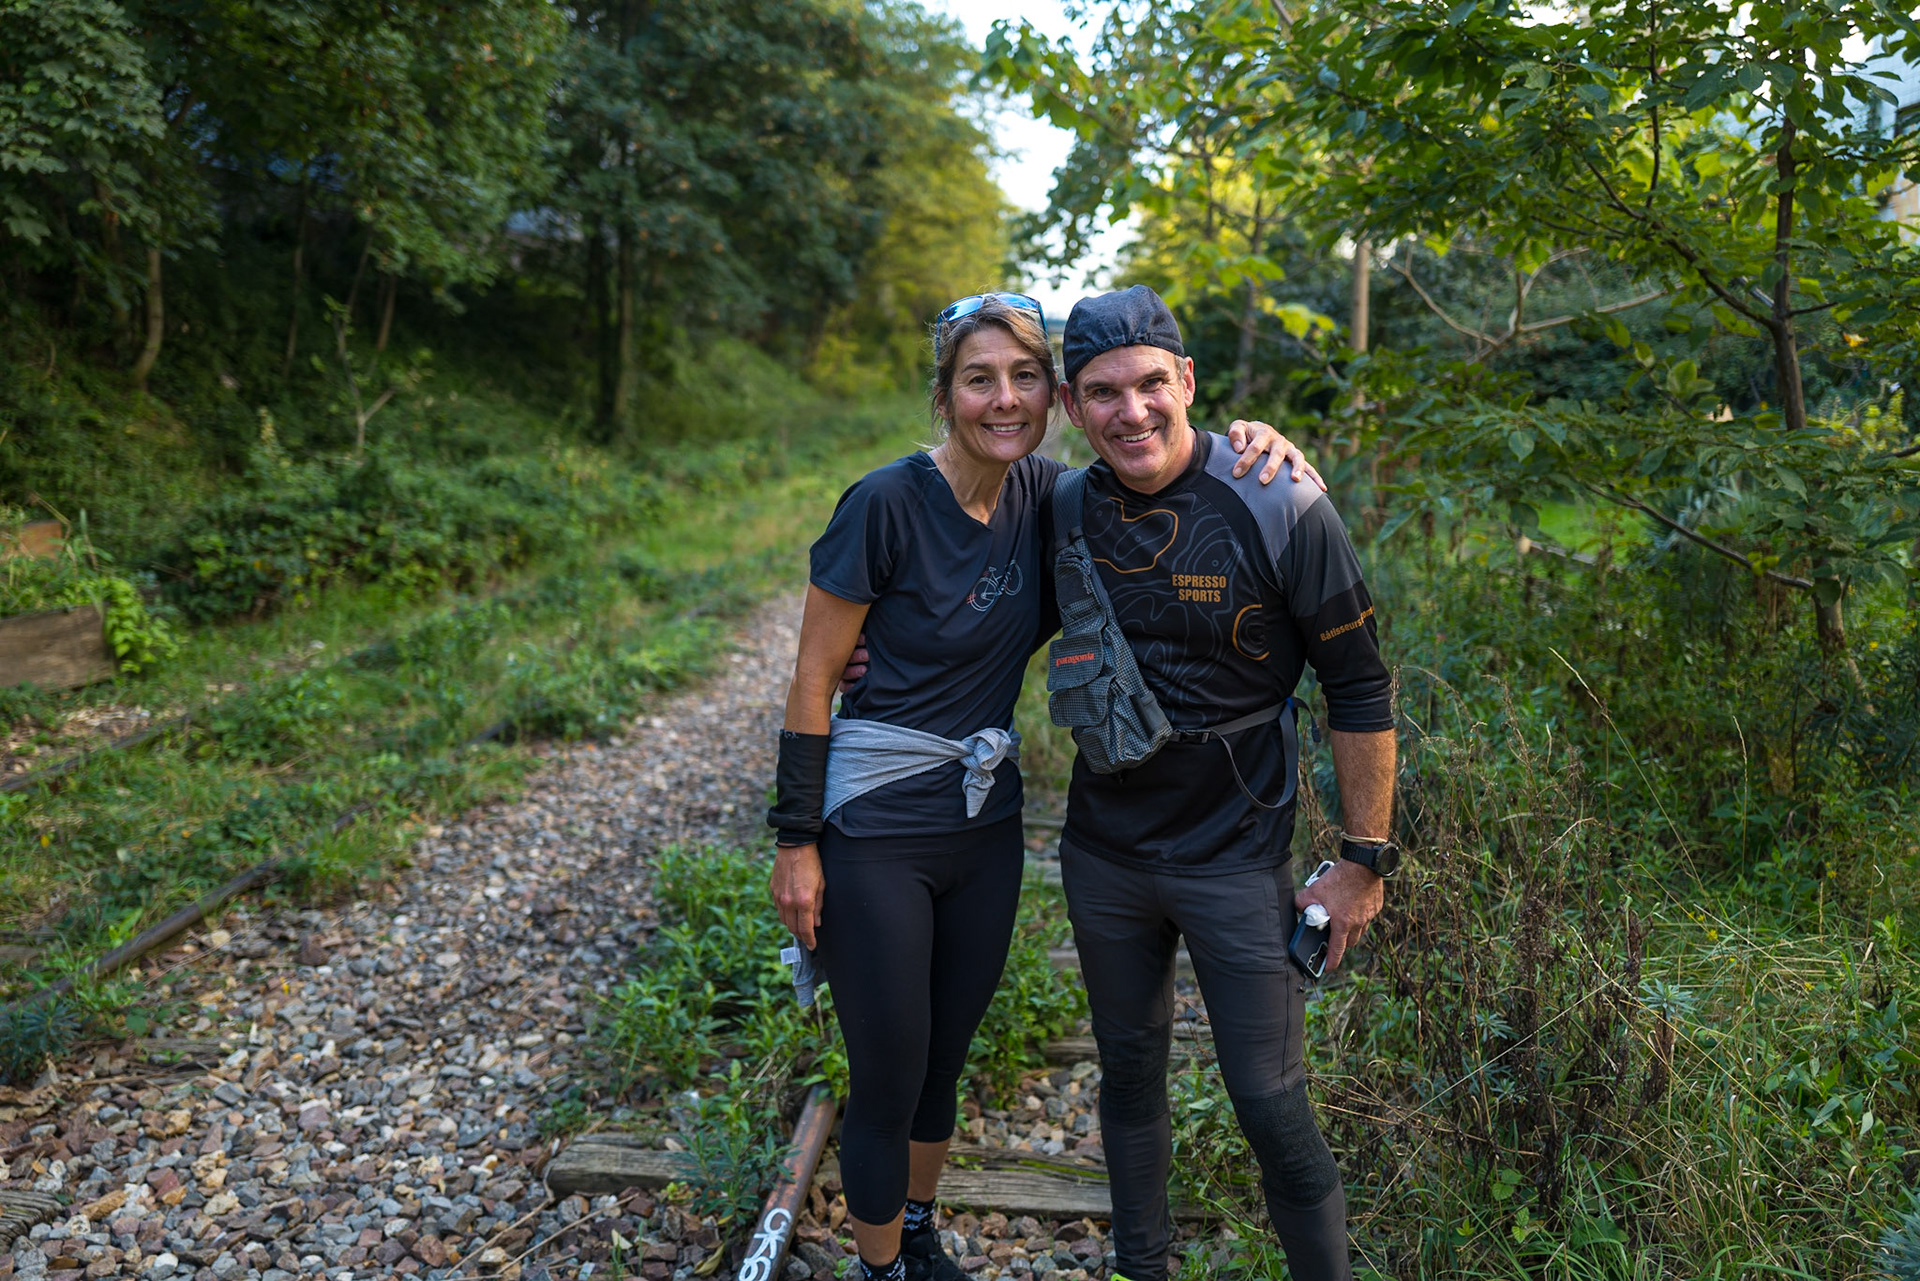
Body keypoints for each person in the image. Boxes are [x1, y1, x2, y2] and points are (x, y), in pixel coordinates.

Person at [765, 292, 1319, 1281]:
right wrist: (795, 841)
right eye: (980, 379)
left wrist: (1255, 442)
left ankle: (918, 1233)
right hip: (878, 822)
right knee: (889, 1068)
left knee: (945, 1052)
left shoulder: (1054, 502)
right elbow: (812, 682)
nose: (1005, 399)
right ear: (945, 395)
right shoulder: (884, 504)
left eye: (1025, 377)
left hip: (983, 822)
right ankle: (880, 1270)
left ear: (1053, 397)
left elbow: (1164, 464)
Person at [1050, 286, 1397, 1281]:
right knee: (1128, 1074)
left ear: (1189, 381)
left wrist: (1364, 861)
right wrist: (869, 661)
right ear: (1072, 406)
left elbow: (1359, 684)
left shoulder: (1279, 497)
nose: (1132, 411)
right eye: (1103, 392)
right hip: (1104, 852)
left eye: (1151, 383)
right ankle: (1143, 1268)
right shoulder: (1063, 505)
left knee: (1269, 1100)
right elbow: (964, 580)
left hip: (1237, 856)